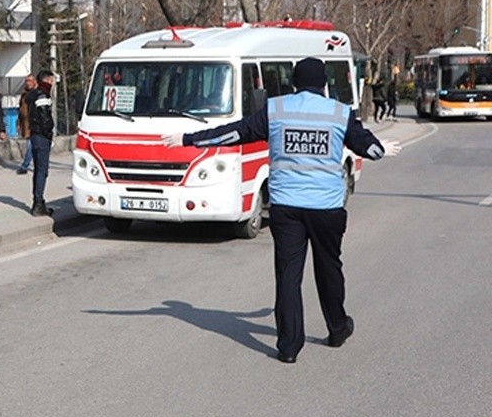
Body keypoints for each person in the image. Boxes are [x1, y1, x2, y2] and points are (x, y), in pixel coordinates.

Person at [162, 58, 400, 364]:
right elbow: (370, 148)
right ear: (324, 85)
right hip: (326, 208)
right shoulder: (340, 113)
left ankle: (289, 346)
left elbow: (235, 133)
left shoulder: (276, 110)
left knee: (289, 275)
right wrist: (381, 147)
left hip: (287, 208)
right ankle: (338, 328)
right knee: (329, 268)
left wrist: (188, 139)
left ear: (294, 84)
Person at [23, 70, 55, 216]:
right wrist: (48, 132)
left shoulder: (34, 94)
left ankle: (38, 200)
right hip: (42, 136)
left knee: (38, 170)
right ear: (46, 80)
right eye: (51, 80)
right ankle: (38, 203)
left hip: (35, 135)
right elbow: (44, 116)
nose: (53, 83)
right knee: (42, 170)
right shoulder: (42, 95)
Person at [16, 74, 37, 174]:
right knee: (32, 146)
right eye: (26, 81)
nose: (28, 83)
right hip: (26, 124)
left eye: (30, 80)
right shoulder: (24, 94)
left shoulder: (37, 93)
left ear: (34, 82)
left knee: (31, 146)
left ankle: (25, 166)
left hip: (35, 124)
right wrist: (19, 122)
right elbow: (20, 109)